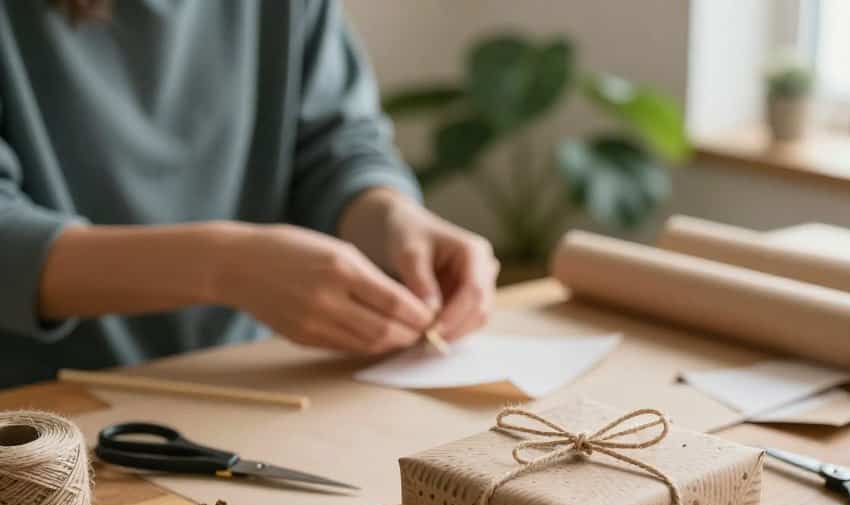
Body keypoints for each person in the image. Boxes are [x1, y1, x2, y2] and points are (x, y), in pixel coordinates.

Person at [0, 0, 499, 388]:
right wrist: (224, 267)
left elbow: (334, 147)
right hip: (36, 421)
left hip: (250, 379)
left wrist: (391, 215)